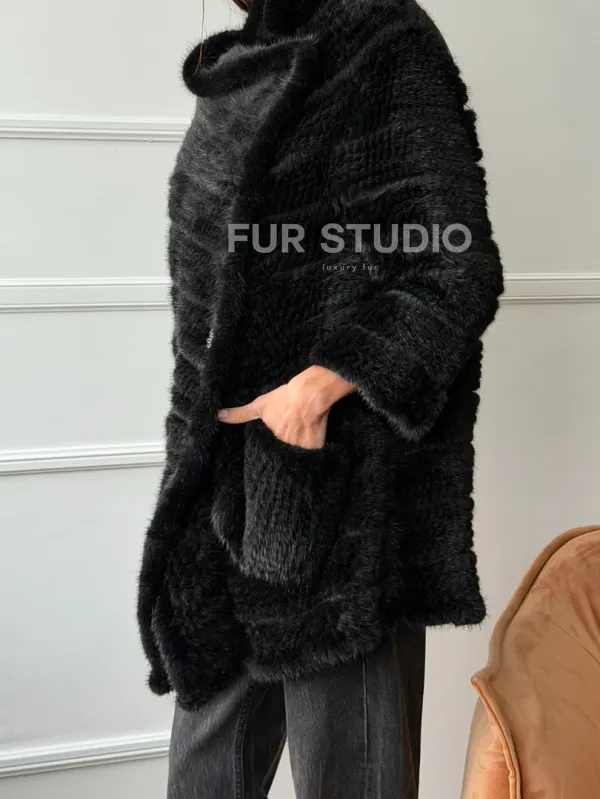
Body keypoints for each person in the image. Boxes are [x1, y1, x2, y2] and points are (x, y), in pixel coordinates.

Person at [136, 0, 504, 795]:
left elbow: (456, 264)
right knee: (203, 771)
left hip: (341, 501)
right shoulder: (241, 64)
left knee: (350, 775)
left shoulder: (384, 41)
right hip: (223, 493)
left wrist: (311, 394)